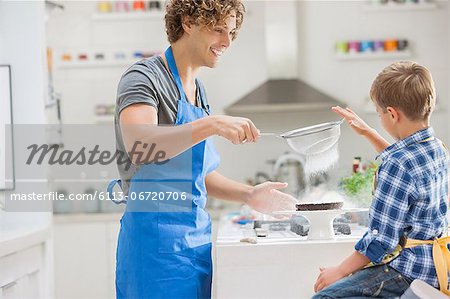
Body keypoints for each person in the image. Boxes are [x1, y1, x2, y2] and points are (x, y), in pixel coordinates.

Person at [107, 1, 296, 298]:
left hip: (196, 245)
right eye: (218, 30)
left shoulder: (198, 91)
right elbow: (140, 146)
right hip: (154, 251)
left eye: (232, 32)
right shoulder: (144, 78)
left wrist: (248, 195)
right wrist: (212, 124)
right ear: (187, 23)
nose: (227, 42)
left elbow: (196, 173)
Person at [313, 61, 450, 298]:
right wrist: (369, 133)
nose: (379, 119)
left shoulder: (397, 164)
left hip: (408, 271)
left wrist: (340, 271)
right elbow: (410, 167)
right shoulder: (438, 148)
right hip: (437, 267)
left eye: (379, 114)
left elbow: (382, 240)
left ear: (392, 114)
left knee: (324, 297)